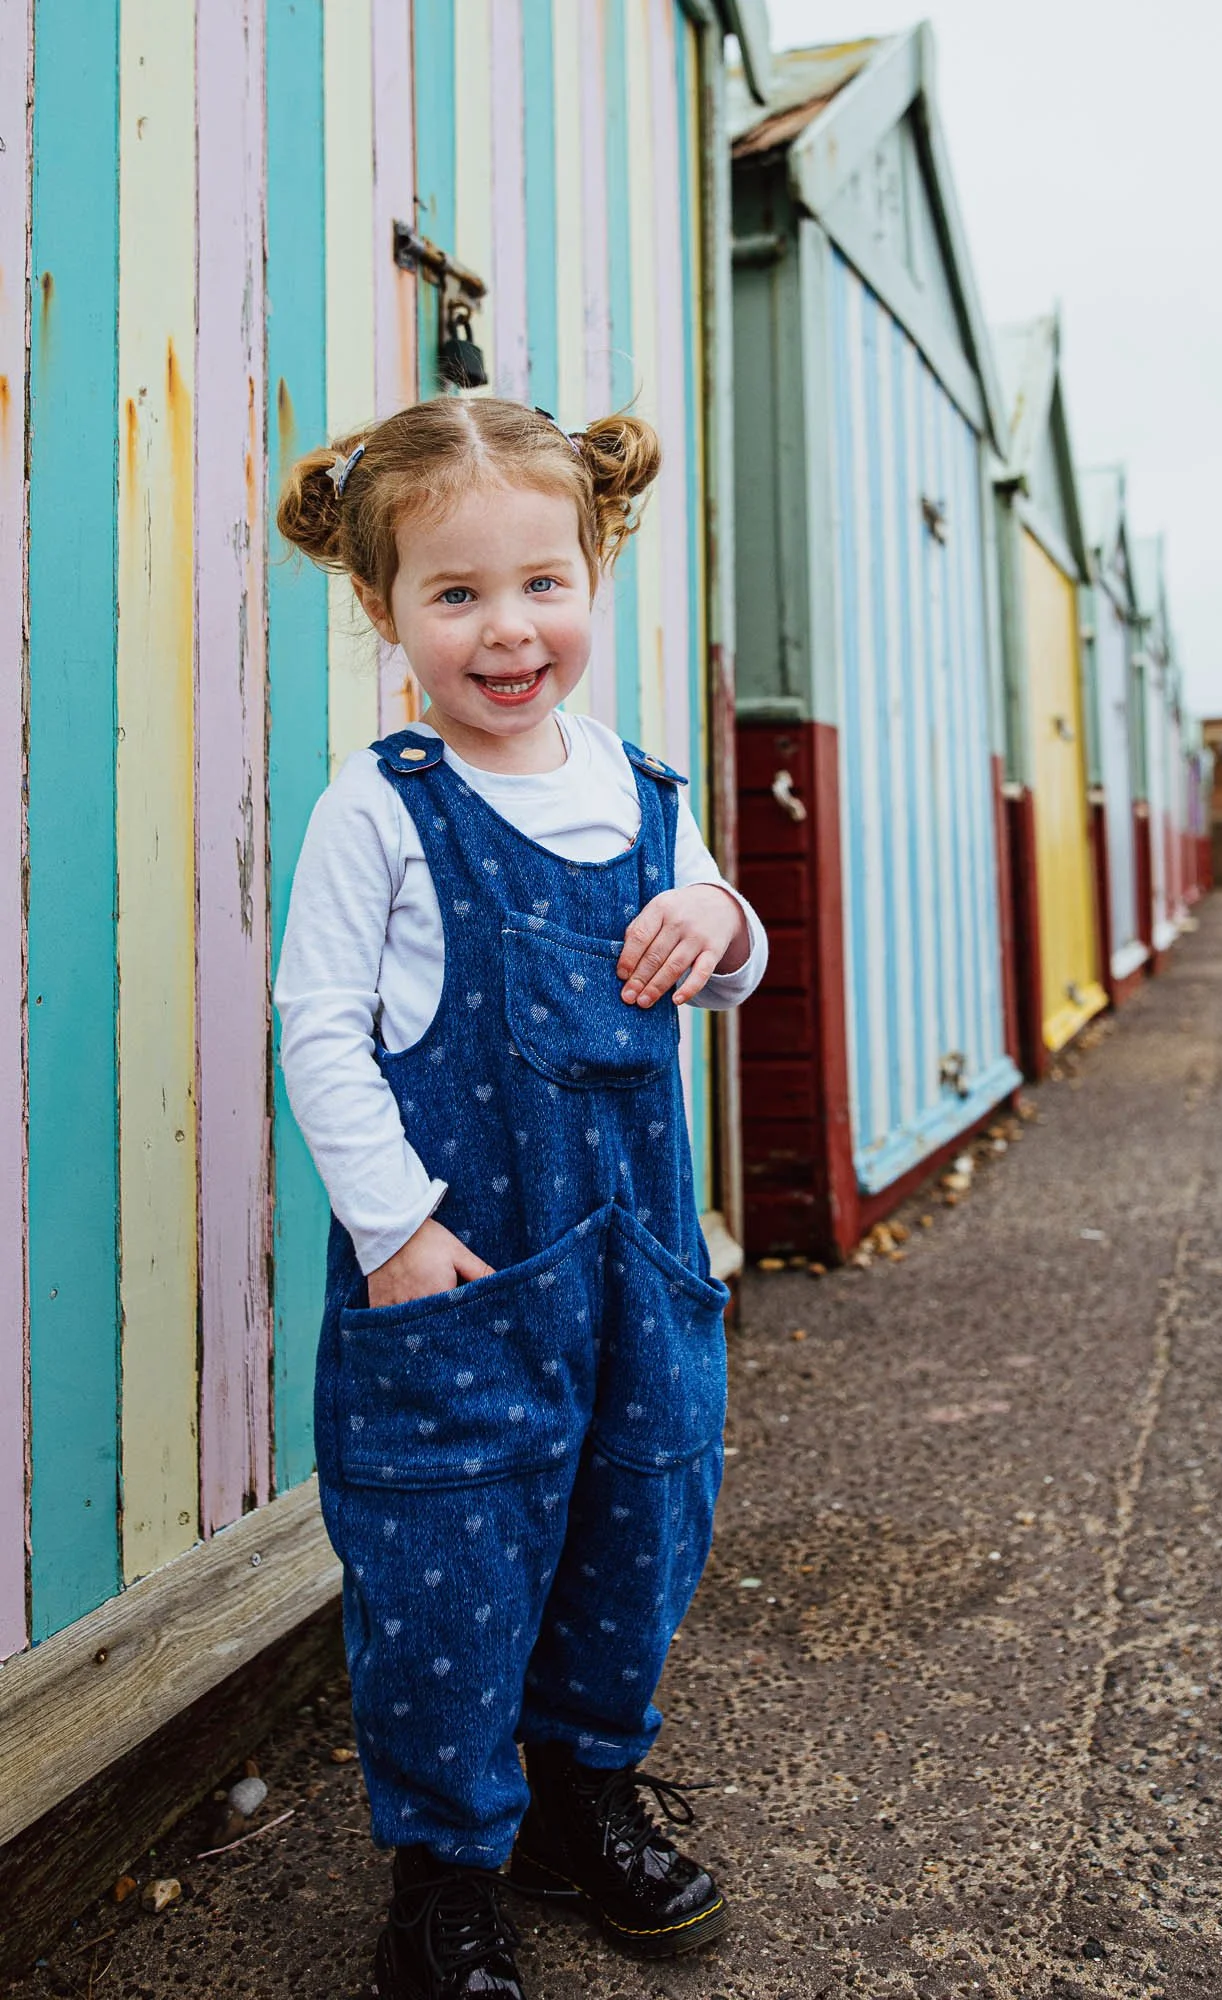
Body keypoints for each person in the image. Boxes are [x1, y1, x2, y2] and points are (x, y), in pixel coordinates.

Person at [274, 395, 767, 1999]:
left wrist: (716, 909)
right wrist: (395, 1231)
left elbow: (729, 967)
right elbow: (320, 1031)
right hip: (464, 1276)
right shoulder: (384, 809)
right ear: (384, 609)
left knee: (638, 1531)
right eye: (457, 594)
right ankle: (447, 1871)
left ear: (594, 568)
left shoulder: (645, 794)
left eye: (542, 584)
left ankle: (581, 1799)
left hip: (632, 1276)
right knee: (451, 1577)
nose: (508, 631)